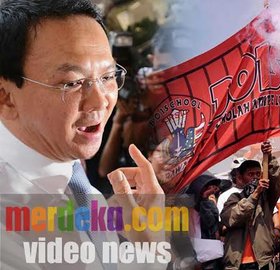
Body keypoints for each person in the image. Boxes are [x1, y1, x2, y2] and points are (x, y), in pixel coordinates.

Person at [0, 0, 166, 268]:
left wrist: (147, 248)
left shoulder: (79, 187)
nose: (101, 101)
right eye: (72, 83)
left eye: (108, 76)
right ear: (6, 96)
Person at [220, 141, 280, 270]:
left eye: (258, 174)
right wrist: (255, 195)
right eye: (250, 174)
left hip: (262, 262)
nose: (255, 178)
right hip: (237, 263)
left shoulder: (266, 199)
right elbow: (231, 219)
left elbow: (275, 181)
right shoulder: (233, 198)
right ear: (241, 178)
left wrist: (269, 156)